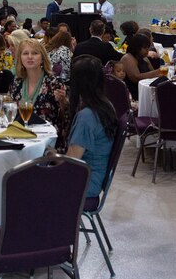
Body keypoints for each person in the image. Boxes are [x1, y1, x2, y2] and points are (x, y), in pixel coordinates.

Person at [65, 56, 118, 198]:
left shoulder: (86, 117)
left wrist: (49, 154)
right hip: (95, 176)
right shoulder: (106, 105)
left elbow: (71, 162)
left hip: (83, 182)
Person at [9, 38, 69, 150]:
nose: (30, 57)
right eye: (25, 53)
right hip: (20, 137)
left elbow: (65, 118)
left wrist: (62, 102)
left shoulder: (54, 82)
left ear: (42, 58)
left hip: (47, 142)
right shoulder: (17, 82)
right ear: (20, 58)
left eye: (35, 53)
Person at [118, 33, 167, 100]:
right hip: (135, 93)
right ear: (136, 47)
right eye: (144, 48)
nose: (147, 51)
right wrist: (159, 71)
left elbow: (153, 73)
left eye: (148, 48)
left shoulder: (144, 57)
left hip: (147, 88)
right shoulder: (128, 58)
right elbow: (136, 78)